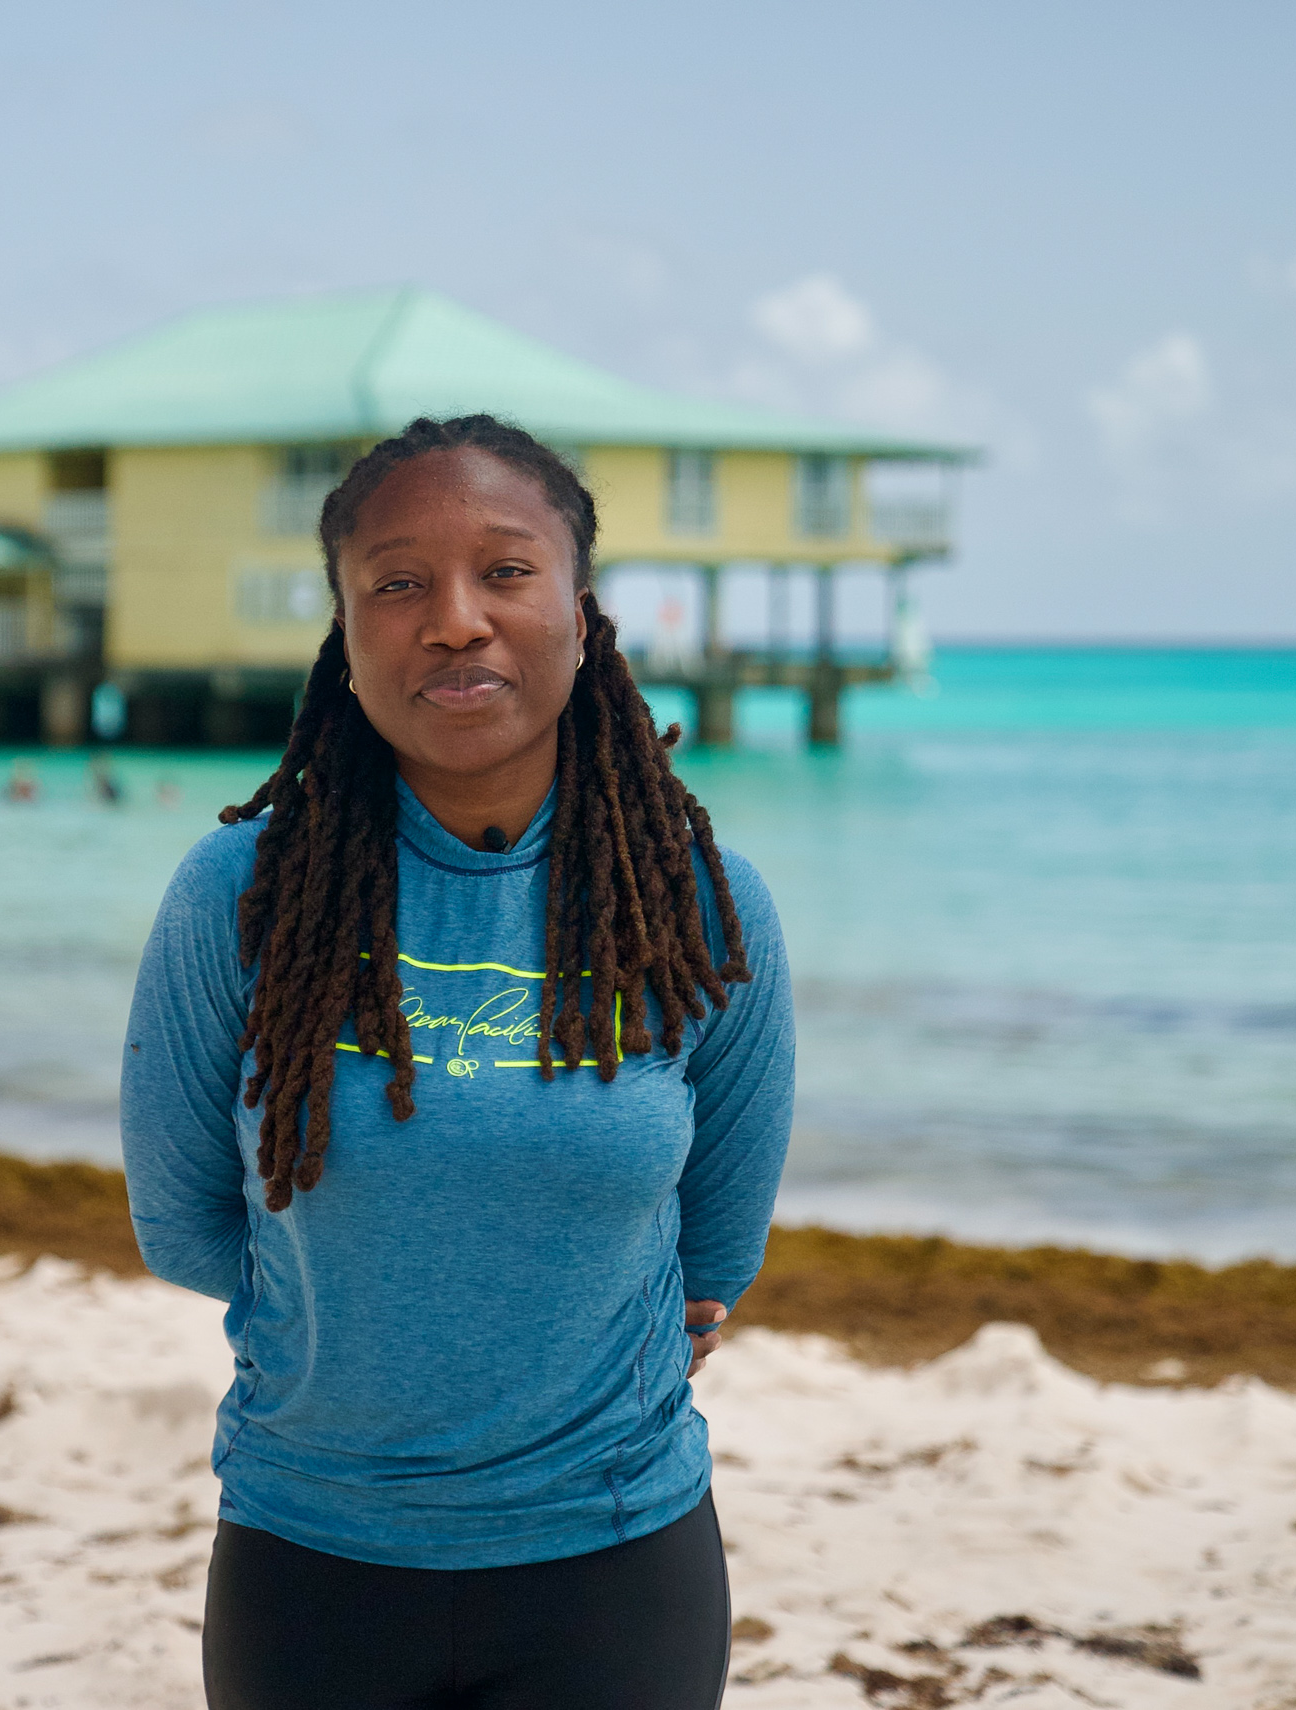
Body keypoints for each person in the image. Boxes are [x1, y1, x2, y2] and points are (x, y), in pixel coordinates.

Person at [121, 415, 794, 1710]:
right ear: (346, 631)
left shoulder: (704, 910)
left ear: (582, 614)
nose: (456, 620)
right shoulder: (238, 894)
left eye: (506, 571)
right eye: (398, 583)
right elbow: (178, 1219)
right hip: (311, 1559)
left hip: (614, 1563)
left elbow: (715, 1256)